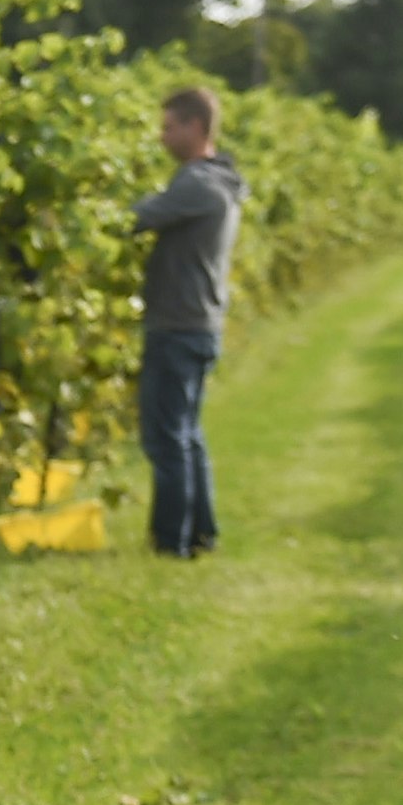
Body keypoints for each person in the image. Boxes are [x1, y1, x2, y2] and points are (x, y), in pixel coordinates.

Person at [134, 84, 249, 558]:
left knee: (165, 439)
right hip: (199, 325)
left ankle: (171, 544)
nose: (162, 137)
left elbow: (137, 217)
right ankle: (201, 533)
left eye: (169, 127)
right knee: (187, 435)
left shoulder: (198, 184)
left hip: (178, 326)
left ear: (196, 127)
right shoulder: (221, 181)